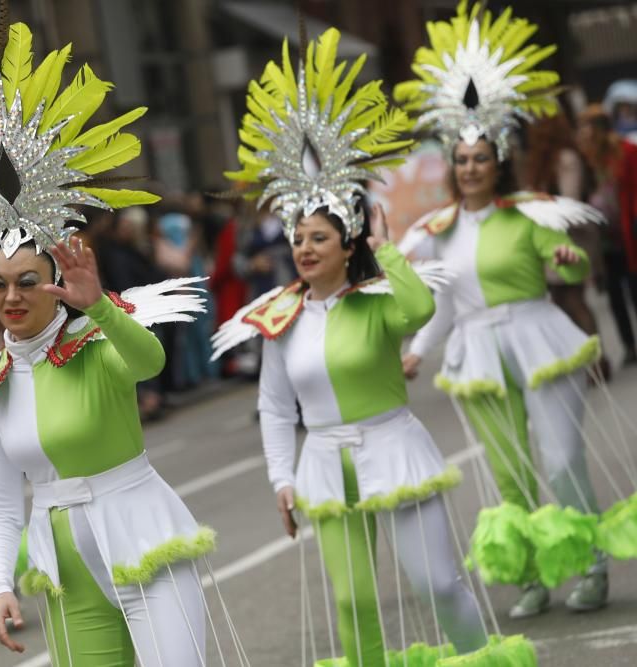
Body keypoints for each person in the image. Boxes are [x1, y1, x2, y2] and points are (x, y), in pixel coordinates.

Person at [0, 18, 243, 665]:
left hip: (141, 541)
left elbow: (150, 360)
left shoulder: (99, 340)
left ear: (57, 281)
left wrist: (97, 301)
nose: (12, 298)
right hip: (63, 569)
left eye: (27, 282)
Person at [214, 27, 516, 667]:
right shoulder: (280, 315)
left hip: (393, 447)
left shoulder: (378, 296)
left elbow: (421, 309)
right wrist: (281, 478)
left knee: (437, 584)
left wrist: (384, 248)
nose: (304, 248)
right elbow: (274, 407)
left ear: (347, 246)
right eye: (299, 238)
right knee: (352, 605)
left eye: (320, 238)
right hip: (324, 462)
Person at [396, 0, 610, 617]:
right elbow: (441, 304)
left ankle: (590, 565)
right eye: (460, 160)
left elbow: (574, 263)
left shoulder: (531, 211)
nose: (469, 169)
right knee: (507, 469)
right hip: (478, 349)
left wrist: (569, 260)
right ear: (451, 165)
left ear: (499, 162)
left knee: (562, 456)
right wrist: (417, 353)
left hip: (539, 336)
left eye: (480, 159)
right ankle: (530, 577)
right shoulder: (436, 230)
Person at [524, 114, 609, 377]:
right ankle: (584, 357)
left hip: (572, 236)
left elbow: (568, 202)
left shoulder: (565, 159)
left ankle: (597, 360)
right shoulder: (543, 161)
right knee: (562, 300)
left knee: (574, 299)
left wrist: (538, 207)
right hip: (552, 236)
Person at [577, 104, 637, 365]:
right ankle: (629, 346)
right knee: (614, 294)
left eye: (589, 128)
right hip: (604, 239)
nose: (585, 134)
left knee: (634, 289)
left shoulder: (626, 151)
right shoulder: (588, 160)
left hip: (627, 230)